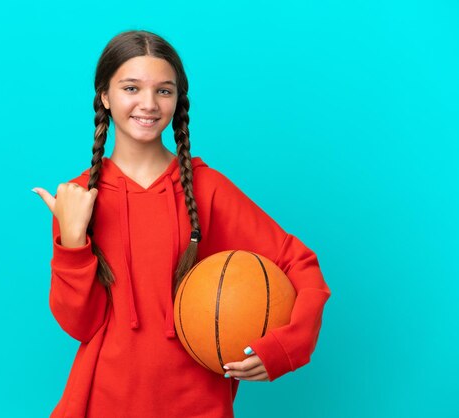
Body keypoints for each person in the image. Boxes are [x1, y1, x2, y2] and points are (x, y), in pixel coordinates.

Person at [32, 29, 331, 418]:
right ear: (105, 96)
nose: (149, 104)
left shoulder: (206, 189)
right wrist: (72, 241)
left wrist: (287, 346)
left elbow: (299, 264)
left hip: (198, 402)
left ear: (178, 100)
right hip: (103, 400)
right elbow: (80, 325)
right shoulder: (77, 197)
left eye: (164, 91)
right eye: (131, 88)